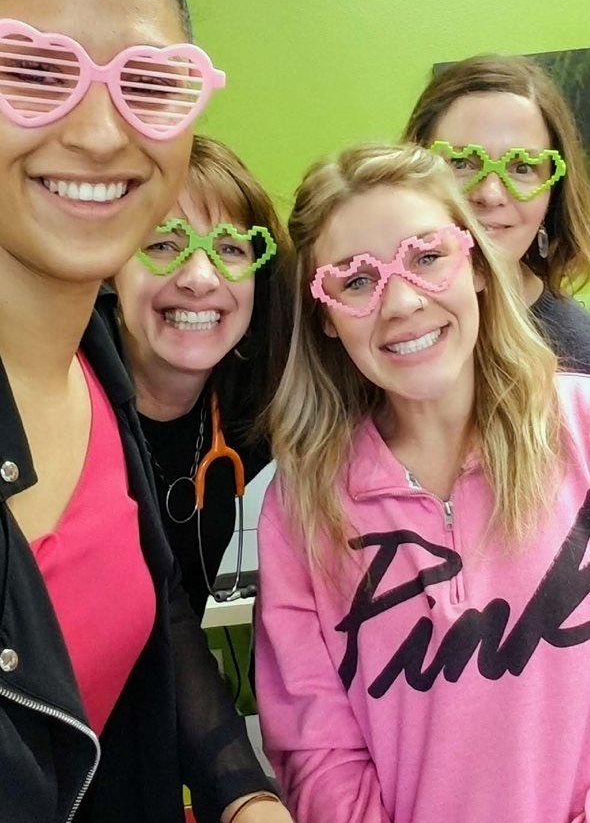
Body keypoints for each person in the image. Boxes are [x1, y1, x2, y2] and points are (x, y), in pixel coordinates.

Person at [0, 0, 291, 823]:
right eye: (32, 68)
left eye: (150, 83)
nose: (98, 129)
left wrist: (245, 794)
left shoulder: (92, 372)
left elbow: (152, 612)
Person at [255, 142, 590, 823]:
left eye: (428, 256)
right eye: (355, 280)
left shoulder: (583, 425)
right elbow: (315, 749)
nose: (402, 299)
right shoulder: (300, 508)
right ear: (325, 318)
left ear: (477, 268)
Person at [111, 134, 292, 621]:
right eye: (164, 243)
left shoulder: (250, 419)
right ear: (110, 268)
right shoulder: (59, 417)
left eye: (230, 249)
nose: (200, 276)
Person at [403, 54, 590, 372]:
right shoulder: (371, 327)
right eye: (461, 162)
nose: (489, 194)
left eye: (522, 167)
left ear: (551, 193)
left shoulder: (579, 357)